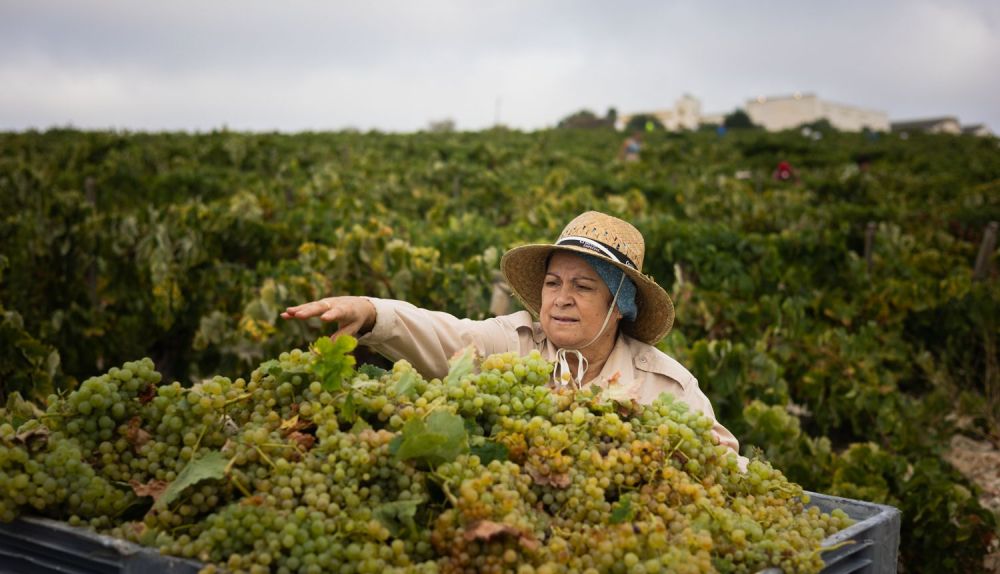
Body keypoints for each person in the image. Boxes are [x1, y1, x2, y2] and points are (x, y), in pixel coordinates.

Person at [281, 211, 743, 460]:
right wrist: (370, 312)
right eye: (553, 283)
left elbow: (725, 462)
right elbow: (445, 335)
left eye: (583, 287)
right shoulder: (515, 344)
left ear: (619, 307)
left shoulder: (669, 386)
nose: (561, 298)